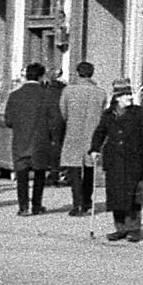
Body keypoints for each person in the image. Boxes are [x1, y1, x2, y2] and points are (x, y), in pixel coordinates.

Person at [90, 79, 143, 241]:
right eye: (125, 95)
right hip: (114, 161)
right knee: (115, 196)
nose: (130, 97)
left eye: (130, 94)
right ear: (117, 98)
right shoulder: (108, 114)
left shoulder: (140, 112)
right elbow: (100, 133)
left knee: (133, 196)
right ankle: (120, 228)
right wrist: (94, 149)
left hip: (134, 160)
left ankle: (134, 229)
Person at [7, 63, 62, 215]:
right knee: (39, 175)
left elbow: (8, 121)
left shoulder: (14, 95)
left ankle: (23, 206)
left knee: (22, 175)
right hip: (40, 140)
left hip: (20, 141)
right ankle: (37, 205)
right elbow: (54, 120)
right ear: (41, 76)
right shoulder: (47, 95)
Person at [57, 61, 107, 216]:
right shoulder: (100, 93)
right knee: (90, 168)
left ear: (78, 73)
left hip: (74, 132)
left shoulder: (68, 91)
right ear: (92, 73)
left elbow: (63, 112)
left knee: (75, 168)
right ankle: (87, 200)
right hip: (93, 133)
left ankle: (77, 203)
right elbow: (103, 113)